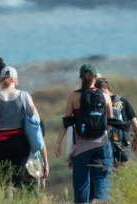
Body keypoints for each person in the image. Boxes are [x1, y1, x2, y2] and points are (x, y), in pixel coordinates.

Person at [0, 66, 49, 188]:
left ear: (1, 80)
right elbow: (37, 119)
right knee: (17, 178)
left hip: (1, 143)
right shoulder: (24, 96)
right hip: (20, 141)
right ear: (15, 80)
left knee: (4, 181)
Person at [55, 63, 113, 204]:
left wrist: (58, 142)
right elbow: (111, 122)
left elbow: (67, 122)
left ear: (81, 77)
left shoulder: (74, 97)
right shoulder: (105, 96)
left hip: (81, 148)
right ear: (95, 77)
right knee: (101, 182)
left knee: (81, 185)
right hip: (102, 145)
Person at [95, 78, 137, 168]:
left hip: (104, 145)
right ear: (108, 88)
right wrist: (136, 140)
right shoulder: (123, 101)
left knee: (107, 177)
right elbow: (136, 125)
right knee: (124, 176)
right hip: (122, 145)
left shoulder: (98, 104)